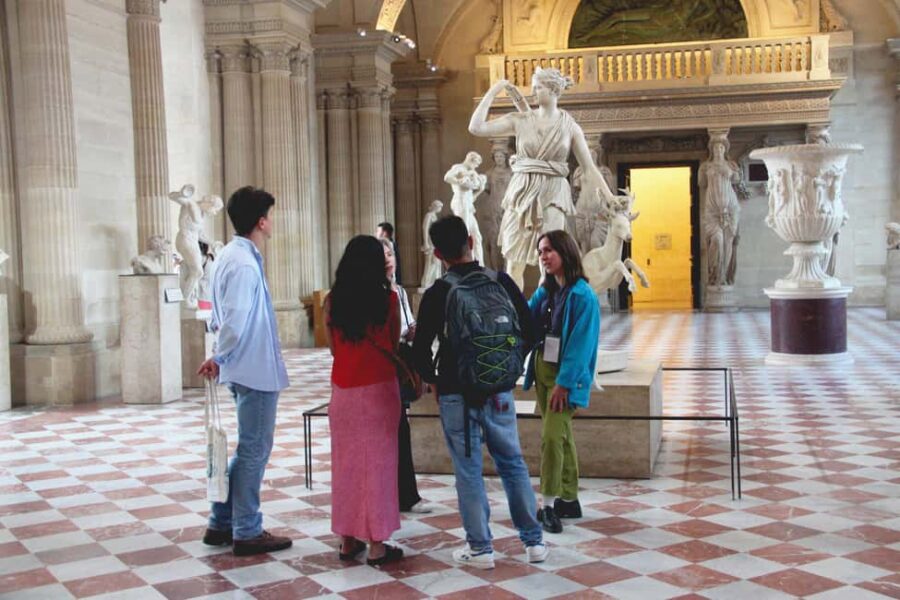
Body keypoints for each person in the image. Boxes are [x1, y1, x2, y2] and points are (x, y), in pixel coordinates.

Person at [412, 215, 548, 570]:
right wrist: (508, 367)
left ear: (439, 253)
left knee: (468, 471)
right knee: (513, 464)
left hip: (457, 393)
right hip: (499, 391)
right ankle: (533, 542)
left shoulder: (438, 293)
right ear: (472, 240)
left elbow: (420, 349)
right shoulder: (501, 281)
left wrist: (435, 379)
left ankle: (481, 549)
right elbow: (532, 331)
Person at [197, 186, 292, 556]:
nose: (273, 221)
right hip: (252, 368)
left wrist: (222, 357)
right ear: (261, 221)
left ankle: (220, 523)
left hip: (246, 366)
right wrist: (219, 357)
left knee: (247, 448)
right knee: (254, 450)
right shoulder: (242, 262)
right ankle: (247, 529)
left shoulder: (233, 256)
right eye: (271, 214)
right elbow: (233, 319)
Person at [468, 67, 615, 289]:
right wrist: (494, 90)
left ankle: (545, 312)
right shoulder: (520, 119)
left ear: (553, 89)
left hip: (554, 190)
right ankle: (516, 316)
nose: (533, 91)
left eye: (538, 87)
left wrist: (610, 197)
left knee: (550, 261)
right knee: (514, 263)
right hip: (523, 191)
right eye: (533, 87)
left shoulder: (569, 126)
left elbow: (590, 168)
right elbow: (476, 127)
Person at [327, 235, 404, 566]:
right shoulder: (388, 299)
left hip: (343, 389)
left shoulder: (332, 301)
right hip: (380, 388)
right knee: (379, 465)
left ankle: (347, 540)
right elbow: (394, 344)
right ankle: (376, 544)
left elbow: (332, 347)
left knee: (346, 465)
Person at [524, 230, 600, 534]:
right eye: (541, 251)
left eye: (549, 251)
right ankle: (569, 498)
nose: (543, 256)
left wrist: (565, 383)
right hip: (542, 367)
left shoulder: (583, 295)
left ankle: (549, 504)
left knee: (551, 437)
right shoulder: (546, 291)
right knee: (562, 433)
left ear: (565, 252)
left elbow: (582, 344)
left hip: (563, 376)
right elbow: (527, 320)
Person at [378, 237, 433, 515]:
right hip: (386, 365)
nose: (388, 257)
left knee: (401, 429)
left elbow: (408, 320)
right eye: (383, 254)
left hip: (401, 360)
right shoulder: (376, 292)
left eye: (390, 253)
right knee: (395, 430)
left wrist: (412, 329)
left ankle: (405, 494)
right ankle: (400, 495)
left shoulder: (398, 291)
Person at [376, 222, 402, 286]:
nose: (376, 233)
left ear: (384, 233)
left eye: (377, 231)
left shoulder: (391, 245)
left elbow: (397, 266)